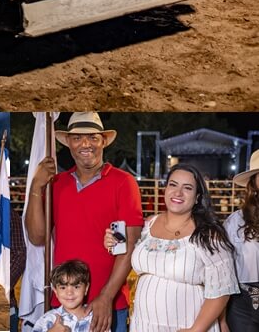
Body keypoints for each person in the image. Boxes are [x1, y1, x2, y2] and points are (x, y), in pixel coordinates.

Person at [24, 112, 143, 332]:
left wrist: (106, 297)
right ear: (68, 142)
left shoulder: (123, 182)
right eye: (77, 137)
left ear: (103, 141)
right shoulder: (55, 184)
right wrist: (36, 186)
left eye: (93, 138)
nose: (85, 144)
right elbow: (37, 237)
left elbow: (130, 246)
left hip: (107, 305)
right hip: (63, 302)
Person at [105, 164, 238, 332]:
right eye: (173, 185)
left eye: (187, 188)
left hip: (188, 326)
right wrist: (112, 242)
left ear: (197, 197)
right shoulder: (148, 225)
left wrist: (196, 329)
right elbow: (129, 253)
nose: (178, 193)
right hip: (144, 325)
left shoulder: (208, 234)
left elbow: (222, 290)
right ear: (165, 189)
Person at [220, 151, 259, 330]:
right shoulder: (235, 221)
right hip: (242, 302)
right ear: (254, 182)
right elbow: (222, 270)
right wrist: (221, 319)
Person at [32, 260, 92, 332]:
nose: (69, 293)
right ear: (56, 292)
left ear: (86, 288)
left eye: (76, 287)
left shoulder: (97, 318)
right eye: (63, 288)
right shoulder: (47, 319)